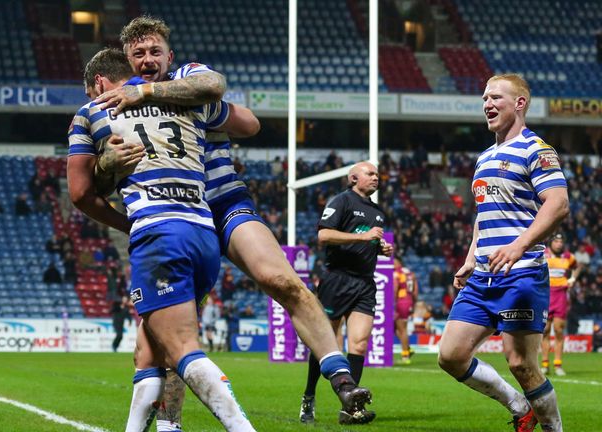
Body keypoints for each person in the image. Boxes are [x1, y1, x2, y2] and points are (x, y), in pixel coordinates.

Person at [95, 16, 372, 430]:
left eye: (156, 52)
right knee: (166, 338)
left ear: (169, 56)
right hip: (174, 215)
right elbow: (96, 181)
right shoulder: (122, 107)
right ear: (128, 61)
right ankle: (170, 424)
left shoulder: (187, 76)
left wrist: (170, 97)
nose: (149, 59)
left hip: (223, 203)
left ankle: (342, 380)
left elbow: (242, 115)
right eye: (140, 54)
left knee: (280, 279)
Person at [68, 48, 261, 431]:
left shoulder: (93, 112)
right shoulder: (184, 98)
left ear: (99, 83)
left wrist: (119, 204)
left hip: (158, 233)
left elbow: (80, 194)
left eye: (93, 90)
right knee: (148, 351)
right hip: (205, 236)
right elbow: (248, 122)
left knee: (182, 348)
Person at [437, 74, 568, 432]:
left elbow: (557, 204)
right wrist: (469, 258)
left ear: (520, 104)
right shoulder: (484, 158)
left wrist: (519, 244)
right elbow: (484, 214)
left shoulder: (536, 150)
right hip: (483, 275)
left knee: (522, 364)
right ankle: (517, 406)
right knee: (450, 356)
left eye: (496, 97)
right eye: (484, 98)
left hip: (522, 272)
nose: (487, 104)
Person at [299, 161, 393, 424]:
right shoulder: (341, 201)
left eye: (377, 174)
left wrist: (379, 248)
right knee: (325, 344)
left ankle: (350, 406)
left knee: (359, 344)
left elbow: (367, 241)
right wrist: (363, 238)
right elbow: (324, 235)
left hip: (365, 283)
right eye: (370, 173)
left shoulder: (377, 212)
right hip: (337, 280)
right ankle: (308, 397)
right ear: (353, 178)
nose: (377, 177)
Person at [541, 233, 579, 376]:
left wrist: (573, 278)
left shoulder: (568, 257)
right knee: (545, 330)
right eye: (556, 241)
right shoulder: (543, 255)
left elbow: (577, 267)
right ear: (551, 243)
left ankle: (558, 365)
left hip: (561, 296)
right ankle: (545, 364)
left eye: (561, 241)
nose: (559, 244)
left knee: (558, 330)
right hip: (546, 294)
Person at [394, 257, 417, 364]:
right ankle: (407, 348)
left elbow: (394, 288)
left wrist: (392, 304)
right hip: (409, 301)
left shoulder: (397, 273)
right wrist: (413, 303)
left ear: (398, 262)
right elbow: (415, 291)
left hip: (400, 302)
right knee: (394, 327)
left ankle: (405, 356)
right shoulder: (410, 273)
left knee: (402, 329)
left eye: (394, 262)